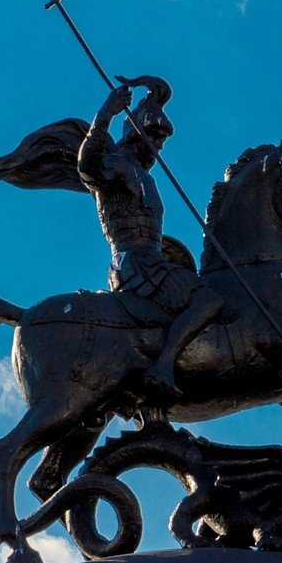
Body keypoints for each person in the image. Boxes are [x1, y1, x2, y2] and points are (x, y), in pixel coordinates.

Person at [78, 76, 223, 398]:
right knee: (209, 300)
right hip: (134, 262)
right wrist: (106, 115)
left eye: (162, 142)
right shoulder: (115, 165)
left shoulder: (145, 177)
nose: (158, 147)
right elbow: (87, 168)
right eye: (154, 139)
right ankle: (163, 366)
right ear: (135, 135)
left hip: (151, 259)